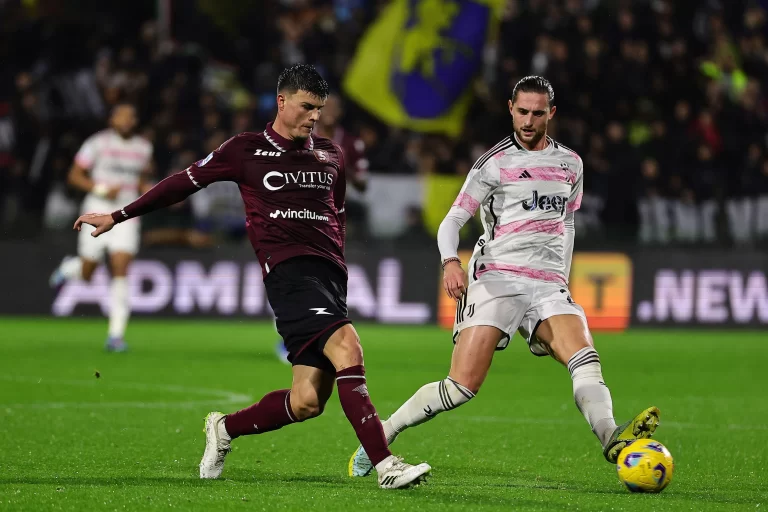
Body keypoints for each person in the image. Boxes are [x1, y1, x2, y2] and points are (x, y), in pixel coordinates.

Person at [73, 64, 431, 489]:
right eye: (306, 107)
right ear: (282, 101)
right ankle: (386, 464)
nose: (314, 116)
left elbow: (337, 214)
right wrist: (118, 215)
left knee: (307, 401)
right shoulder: (243, 150)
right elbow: (182, 184)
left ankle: (224, 429)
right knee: (348, 346)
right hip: (287, 273)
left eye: (319, 109)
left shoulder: (331, 155)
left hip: (330, 277)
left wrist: (337, 264)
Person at [348, 76, 660, 477]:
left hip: (548, 283)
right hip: (496, 278)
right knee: (461, 387)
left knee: (586, 359)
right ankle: (383, 433)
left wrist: (561, 278)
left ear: (552, 113)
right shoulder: (493, 164)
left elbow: (566, 224)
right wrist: (450, 261)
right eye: (522, 111)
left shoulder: (571, 164)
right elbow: (453, 221)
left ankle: (612, 438)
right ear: (510, 108)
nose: (529, 121)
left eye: (538, 113)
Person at [273, 92, 368, 364]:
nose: (330, 111)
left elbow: (363, 184)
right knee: (293, 275)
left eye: (336, 107)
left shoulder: (349, 142)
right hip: (297, 216)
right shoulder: (298, 135)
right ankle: (290, 339)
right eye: (327, 106)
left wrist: (337, 163)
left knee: (325, 280)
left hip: (330, 221)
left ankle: (317, 339)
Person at [50, 103, 153, 352]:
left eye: (131, 116)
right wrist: (102, 189)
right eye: (122, 116)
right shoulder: (97, 143)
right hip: (96, 211)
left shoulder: (144, 148)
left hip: (126, 215)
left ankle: (116, 335)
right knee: (88, 272)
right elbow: (74, 175)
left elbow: (141, 179)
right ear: (112, 119)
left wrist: (147, 191)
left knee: (120, 267)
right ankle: (70, 268)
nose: (127, 120)